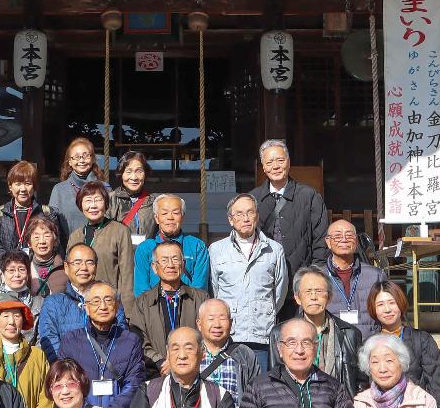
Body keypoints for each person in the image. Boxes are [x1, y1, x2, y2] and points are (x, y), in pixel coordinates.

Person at [209, 193, 287, 372]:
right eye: (239, 214)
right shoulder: (217, 250)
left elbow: (279, 292)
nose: (245, 218)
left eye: (250, 212)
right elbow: (215, 290)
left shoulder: (274, 250)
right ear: (230, 219)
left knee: (259, 388)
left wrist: (263, 311)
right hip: (228, 335)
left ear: (257, 217)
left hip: (261, 334)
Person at [56, 281, 146, 408]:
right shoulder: (71, 341)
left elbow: (134, 384)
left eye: (108, 300)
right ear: (86, 308)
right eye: (96, 301)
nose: (103, 306)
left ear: (117, 306)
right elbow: (65, 383)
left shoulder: (130, 341)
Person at [272, 267, 364, 397]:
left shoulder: (350, 333)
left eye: (319, 291)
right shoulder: (280, 333)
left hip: (338, 406)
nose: (314, 297)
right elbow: (275, 378)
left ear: (329, 297)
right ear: (297, 298)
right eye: (308, 292)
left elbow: (360, 382)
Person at [250, 140, 330, 276]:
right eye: (269, 163)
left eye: (280, 160)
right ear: (263, 167)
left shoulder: (309, 196)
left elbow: (321, 239)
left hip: (301, 276)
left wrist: (316, 273)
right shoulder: (253, 198)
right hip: (263, 277)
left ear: (289, 162)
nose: (275, 166)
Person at [124, 243, 200, 367]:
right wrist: (160, 362)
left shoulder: (200, 299)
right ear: (154, 267)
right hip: (155, 372)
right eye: (164, 260)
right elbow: (138, 339)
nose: (170, 265)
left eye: (175, 259)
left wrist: (185, 361)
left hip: (192, 369)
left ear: (183, 264)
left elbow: (205, 338)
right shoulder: (142, 302)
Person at [34, 241, 100, 358]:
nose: (83, 267)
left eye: (89, 262)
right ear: (66, 267)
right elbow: (49, 342)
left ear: (96, 266)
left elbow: (120, 341)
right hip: (68, 372)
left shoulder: (109, 299)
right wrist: (67, 371)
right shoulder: (53, 303)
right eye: (77, 262)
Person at [133, 194, 210, 294]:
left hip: (189, 307)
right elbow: (141, 290)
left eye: (176, 213)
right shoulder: (145, 248)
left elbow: (200, 289)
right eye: (164, 213)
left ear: (182, 217)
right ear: (156, 218)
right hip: (153, 307)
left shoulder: (197, 246)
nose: (170, 217)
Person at [0, 160, 65, 258]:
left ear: (34, 186)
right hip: (8, 269)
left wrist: (35, 261)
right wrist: (11, 262)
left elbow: (55, 244)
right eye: (18, 184)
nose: (23, 189)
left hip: (38, 268)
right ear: (10, 186)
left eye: (28, 183)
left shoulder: (47, 213)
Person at [75, 181, 135, 301]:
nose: (93, 206)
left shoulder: (120, 231)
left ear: (106, 204)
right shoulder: (75, 235)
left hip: (109, 301)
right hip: (81, 301)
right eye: (88, 201)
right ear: (81, 205)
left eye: (98, 200)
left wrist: (127, 311)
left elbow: (127, 273)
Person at [323, 219, 387, 330]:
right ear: (328, 242)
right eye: (338, 236)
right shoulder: (317, 276)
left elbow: (387, 311)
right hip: (332, 342)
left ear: (356, 241)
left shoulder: (376, 276)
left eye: (349, 235)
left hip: (368, 342)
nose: (344, 239)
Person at [47, 136, 102, 236]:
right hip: (68, 248)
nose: (81, 160)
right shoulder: (59, 190)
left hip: (100, 247)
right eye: (76, 157)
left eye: (85, 156)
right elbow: (52, 224)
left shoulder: (104, 188)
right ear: (70, 162)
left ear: (93, 159)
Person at [111, 150, 158, 240]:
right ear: (121, 174)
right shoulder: (110, 200)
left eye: (139, 171)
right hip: (120, 253)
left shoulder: (154, 202)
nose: (134, 177)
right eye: (128, 172)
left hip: (146, 252)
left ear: (145, 174)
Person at [23, 214, 68, 296]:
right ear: (29, 243)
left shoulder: (66, 268)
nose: (42, 241)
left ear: (54, 241)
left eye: (47, 236)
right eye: (36, 237)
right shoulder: (23, 268)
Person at [0, 249, 45, 319]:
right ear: (2, 274)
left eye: (22, 269)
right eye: (11, 270)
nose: (17, 274)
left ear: (28, 273)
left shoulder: (39, 302)